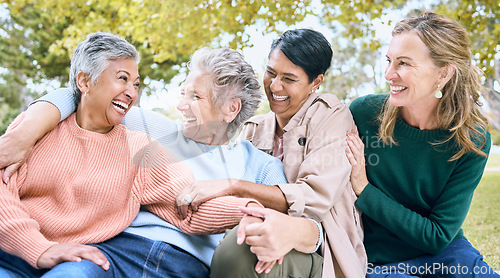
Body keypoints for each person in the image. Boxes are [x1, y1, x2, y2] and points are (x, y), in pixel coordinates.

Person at [0, 45, 289, 277]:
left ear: (230, 108)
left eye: (194, 96)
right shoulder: (154, 130)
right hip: (114, 249)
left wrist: (252, 209)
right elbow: (78, 97)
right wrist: (26, 132)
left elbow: (298, 219)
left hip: (183, 264)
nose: (180, 105)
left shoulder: (260, 166)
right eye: (182, 93)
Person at [178, 29, 367, 277]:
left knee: (241, 249)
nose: (275, 86)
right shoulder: (253, 128)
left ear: (316, 82)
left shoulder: (331, 116)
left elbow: (312, 199)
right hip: (264, 232)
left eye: (289, 79)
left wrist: (234, 186)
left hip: (321, 253)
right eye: (271, 72)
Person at [345, 12, 499, 277]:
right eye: (389, 61)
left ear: (443, 73)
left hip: (446, 257)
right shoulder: (363, 114)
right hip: (379, 262)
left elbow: (438, 236)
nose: (388, 74)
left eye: (403, 63)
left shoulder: (471, 139)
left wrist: (364, 189)